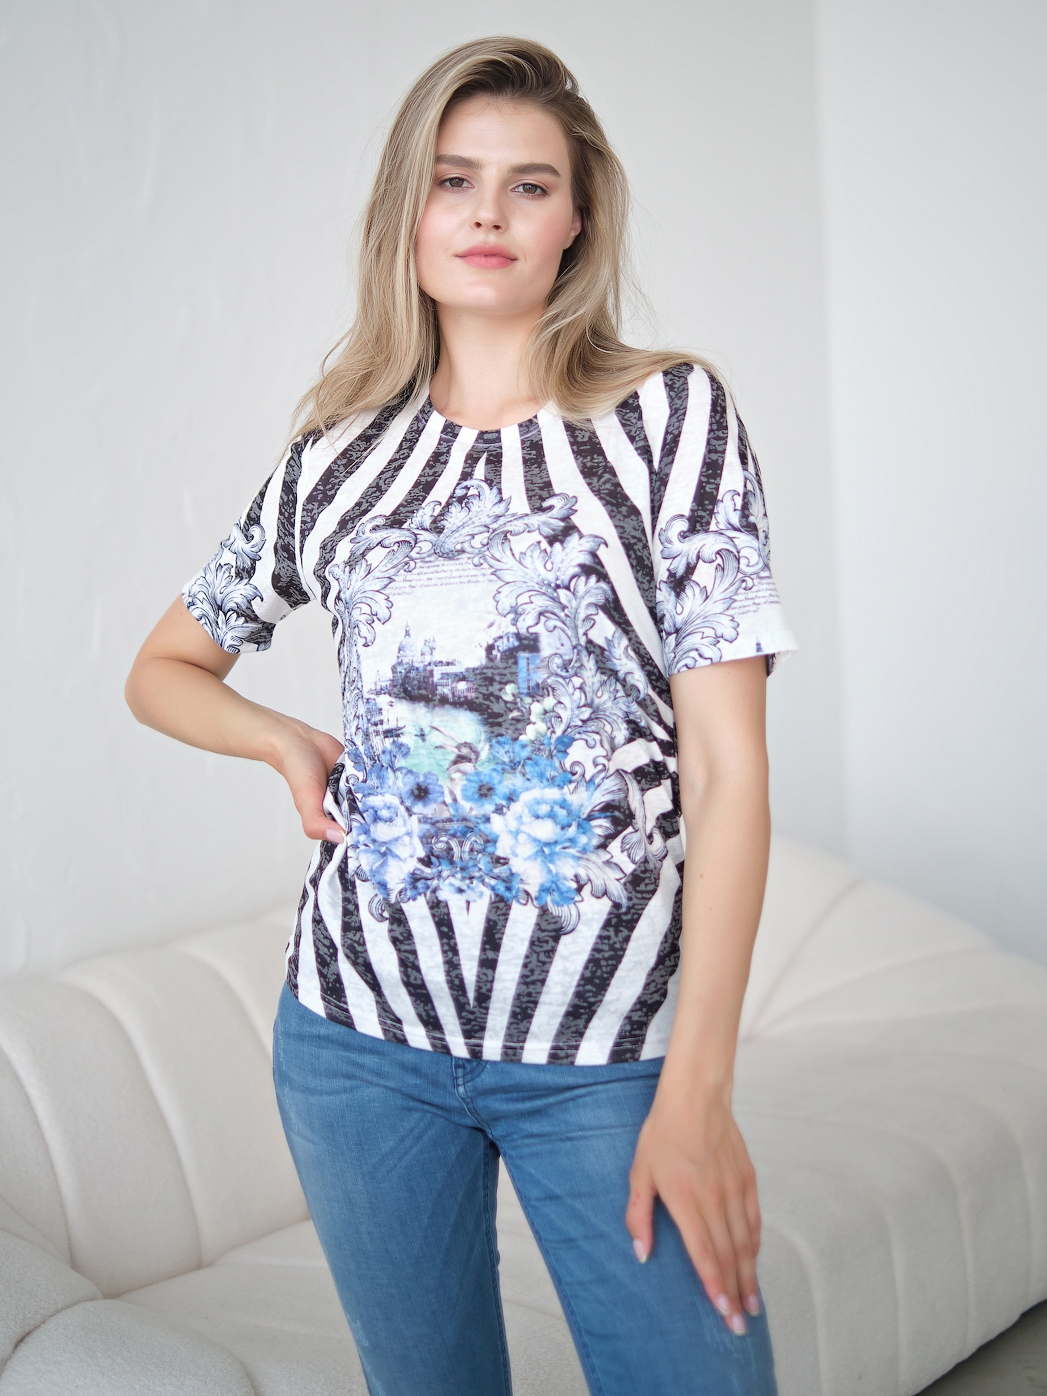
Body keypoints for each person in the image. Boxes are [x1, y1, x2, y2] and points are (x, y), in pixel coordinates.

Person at [126, 35, 796, 1396]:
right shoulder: (335, 458)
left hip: (608, 1052)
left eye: (529, 184)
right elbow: (162, 668)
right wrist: (281, 737)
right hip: (357, 1043)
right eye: (453, 179)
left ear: (577, 220)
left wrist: (698, 1090)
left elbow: (727, 772)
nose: (489, 212)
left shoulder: (671, 420)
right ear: (409, 212)